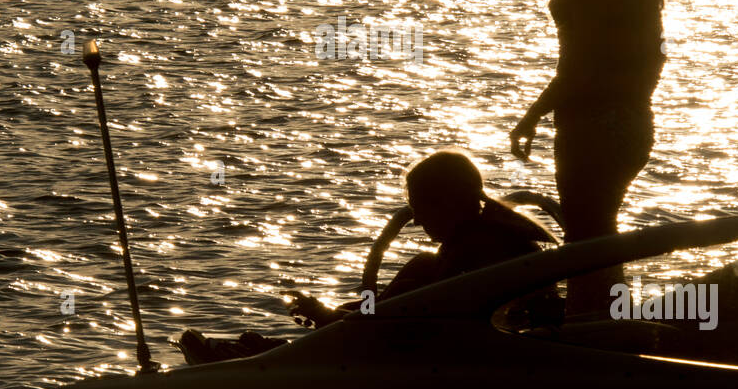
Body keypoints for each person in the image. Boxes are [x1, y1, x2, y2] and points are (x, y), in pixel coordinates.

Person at [177, 150, 559, 363]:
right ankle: (271, 351)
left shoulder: (480, 250)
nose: (417, 219)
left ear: (452, 201)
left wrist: (326, 316)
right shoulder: (480, 238)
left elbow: (408, 332)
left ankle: (263, 360)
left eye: (421, 206)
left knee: (410, 279)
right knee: (410, 276)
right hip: (450, 349)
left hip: (463, 363)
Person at [510, 0, 666, 317]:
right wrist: (634, 101)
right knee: (597, 235)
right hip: (631, 120)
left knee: (586, 241)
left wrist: (534, 113)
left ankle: (595, 333)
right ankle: (607, 327)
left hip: (594, 125)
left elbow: (580, 62)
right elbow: (654, 53)